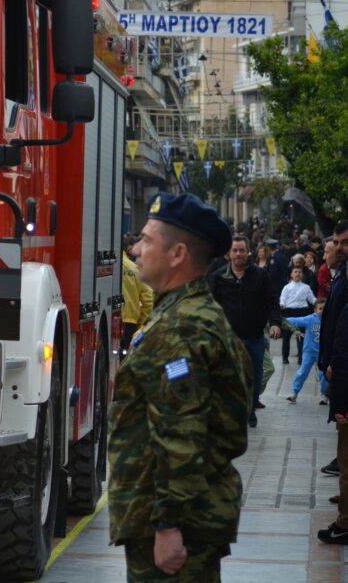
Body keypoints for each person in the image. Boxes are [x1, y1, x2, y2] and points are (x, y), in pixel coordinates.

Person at [108, 192, 252, 581]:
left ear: (177, 254)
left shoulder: (182, 328)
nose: (135, 250)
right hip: (187, 515)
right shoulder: (183, 314)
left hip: (179, 524)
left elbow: (181, 433)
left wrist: (168, 524)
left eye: (146, 240)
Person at [208, 233, 282, 427]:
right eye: (235, 250)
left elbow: (272, 300)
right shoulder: (219, 276)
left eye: (242, 250)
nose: (239, 254)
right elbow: (211, 305)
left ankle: (250, 409)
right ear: (230, 253)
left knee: (255, 377)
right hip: (229, 338)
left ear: (248, 252)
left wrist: (275, 323)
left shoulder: (260, 275)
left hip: (254, 337)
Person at [317, 222, 348, 481]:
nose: (339, 248)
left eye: (345, 243)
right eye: (336, 243)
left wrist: (336, 361)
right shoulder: (341, 274)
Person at [284, 298, 328, 403]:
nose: (322, 311)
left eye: (324, 308)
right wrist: (279, 319)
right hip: (309, 351)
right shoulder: (310, 319)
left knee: (323, 374)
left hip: (323, 353)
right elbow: (296, 320)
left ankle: (324, 395)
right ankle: (294, 393)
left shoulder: (330, 320)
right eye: (320, 309)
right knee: (302, 372)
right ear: (315, 310)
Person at [121, 233, 153, 355]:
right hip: (129, 322)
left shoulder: (102, 267)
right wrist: (141, 325)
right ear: (127, 248)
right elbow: (148, 299)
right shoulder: (135, 269)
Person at [279, 263, 316, 364]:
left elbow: (312, 299)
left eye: (300, 272)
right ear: (291, 274)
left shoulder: (306, 288)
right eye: (295, 272)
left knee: (301, 337)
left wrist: (318, 303)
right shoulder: (286, 287)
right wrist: (282, 304)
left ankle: (301, 358)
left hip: (302, 313)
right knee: (286, 337)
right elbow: (283, 298)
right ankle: (285, 357)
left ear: (302, 275)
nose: (298, 274)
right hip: (289, 312)